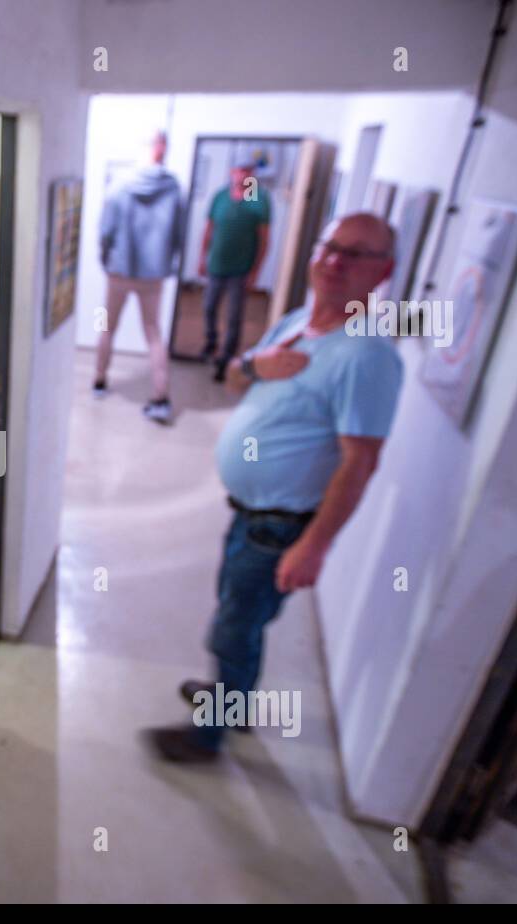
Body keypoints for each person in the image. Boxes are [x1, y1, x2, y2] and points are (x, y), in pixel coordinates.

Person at [142, 213, 402, 762]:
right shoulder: (297, 320)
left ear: (384, 272)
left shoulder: (367, 356)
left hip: (280, 525)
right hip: (251, 512)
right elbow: (236, 375)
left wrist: (314, 545)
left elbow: (361, 462)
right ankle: (231, 703)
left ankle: (209, 735)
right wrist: (259, 365)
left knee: (234, 627)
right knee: (238, 611)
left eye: (355, 254)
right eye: (329, 246)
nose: (335, 261)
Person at [96, 130, 186, 425]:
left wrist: (105, 259)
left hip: (119, 271)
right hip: (152, 275)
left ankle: (99, 380)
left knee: (107, 325)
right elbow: (179, 235)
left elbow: (105, 230)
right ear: (164, 150)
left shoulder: (121, 185)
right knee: (154, 333)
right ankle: (160, 398)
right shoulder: (173, 188)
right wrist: (167, 264)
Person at [197, 163, 270, 382]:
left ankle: (225, 358)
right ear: (232, 173)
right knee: (208, 307)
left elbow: (264, 240)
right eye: (239, 171)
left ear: (253, 176)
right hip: (216, 266)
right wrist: (202, 258)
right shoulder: (220, 196)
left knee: (233, 316)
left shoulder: (259, 200)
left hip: (240, 270)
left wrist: (256, 271)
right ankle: (211, 343)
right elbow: (209, 229)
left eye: (247, 173)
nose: (243, 176)